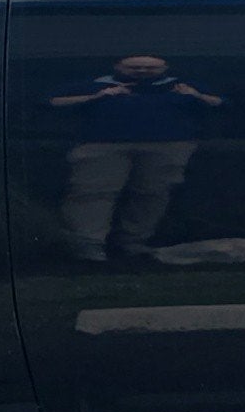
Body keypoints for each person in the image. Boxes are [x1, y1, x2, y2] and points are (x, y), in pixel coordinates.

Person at [53, 54, 222, 263]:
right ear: (118, 66)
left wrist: (196, 95)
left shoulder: (181, 85)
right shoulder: (95, 84)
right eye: (135, 67)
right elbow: (54, 102)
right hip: (103, 147)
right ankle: (87, 245)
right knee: (93, 193)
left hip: (168, 148)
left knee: (152, 194)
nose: (142, 71)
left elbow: (219, 104)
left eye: (150, 68)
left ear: (165, 68)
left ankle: (132, 243)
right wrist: (96, 97)